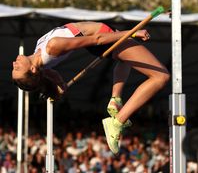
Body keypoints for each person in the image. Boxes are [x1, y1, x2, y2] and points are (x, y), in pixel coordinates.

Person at [12, 21, 170, 154]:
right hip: (102, 36)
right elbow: (98, 39)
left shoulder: (41, 59)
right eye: (17, 69)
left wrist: (59, 88)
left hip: (102, 35)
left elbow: (54, 78)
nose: (14, 64)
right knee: (161, 76)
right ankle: (117, 122)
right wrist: (131, 33)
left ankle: (115, 100)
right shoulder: (52, 47)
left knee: (125, 60)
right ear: (32, 70)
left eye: (14, 68)